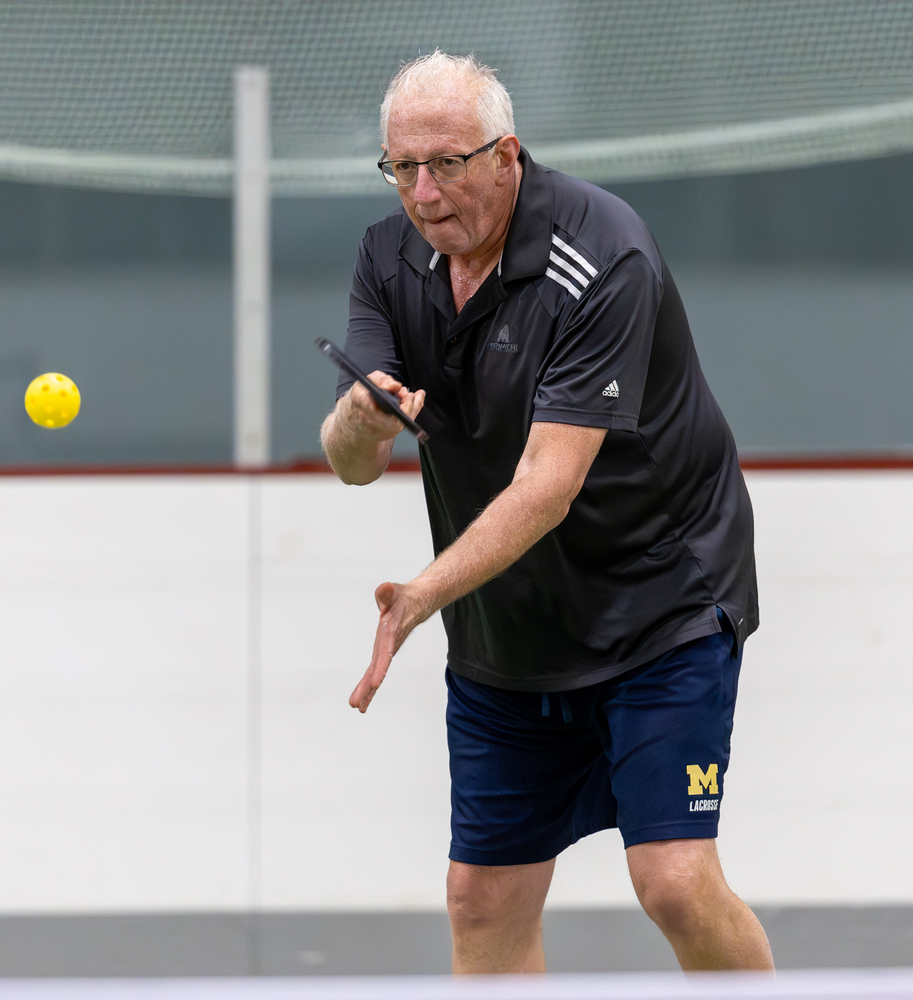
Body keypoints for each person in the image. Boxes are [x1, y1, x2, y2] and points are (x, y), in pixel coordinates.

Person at [319, 51, 773, 974]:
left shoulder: (604, 254)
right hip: (509, 625)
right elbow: (354, 465)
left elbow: (546, 486)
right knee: (481, 900)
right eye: (402, 167)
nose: (424, 192)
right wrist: (360, 419)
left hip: (661, 606)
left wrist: (417, 599)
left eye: (447, 162)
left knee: (675, 882)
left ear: (507, 155)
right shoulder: (386, 258)